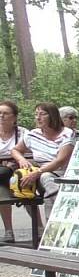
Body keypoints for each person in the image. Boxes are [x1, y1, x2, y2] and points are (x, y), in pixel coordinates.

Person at [11, 102, 75, 221]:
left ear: (53, 116)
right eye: (36, 114)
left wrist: (38, 172)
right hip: (43, 176)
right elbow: (15, 150)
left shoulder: (67, 133)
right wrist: (22, 159)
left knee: (48, 179)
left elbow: (60, 161)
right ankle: (56, 220)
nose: (38, 117)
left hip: (64, 173)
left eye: (42, 114)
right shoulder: (33, 135)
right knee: (46, 179)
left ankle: (56, 220)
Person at [0, 101, 29, 243]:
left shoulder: (23, 133)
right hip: (1, 173)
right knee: (1, 191)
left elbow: (31, 152)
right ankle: (9, 231)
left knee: (26, 185)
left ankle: (39, 227)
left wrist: (13, 162)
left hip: (19, 170)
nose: (1, 116)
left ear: (14, 117)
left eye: (5, 113)